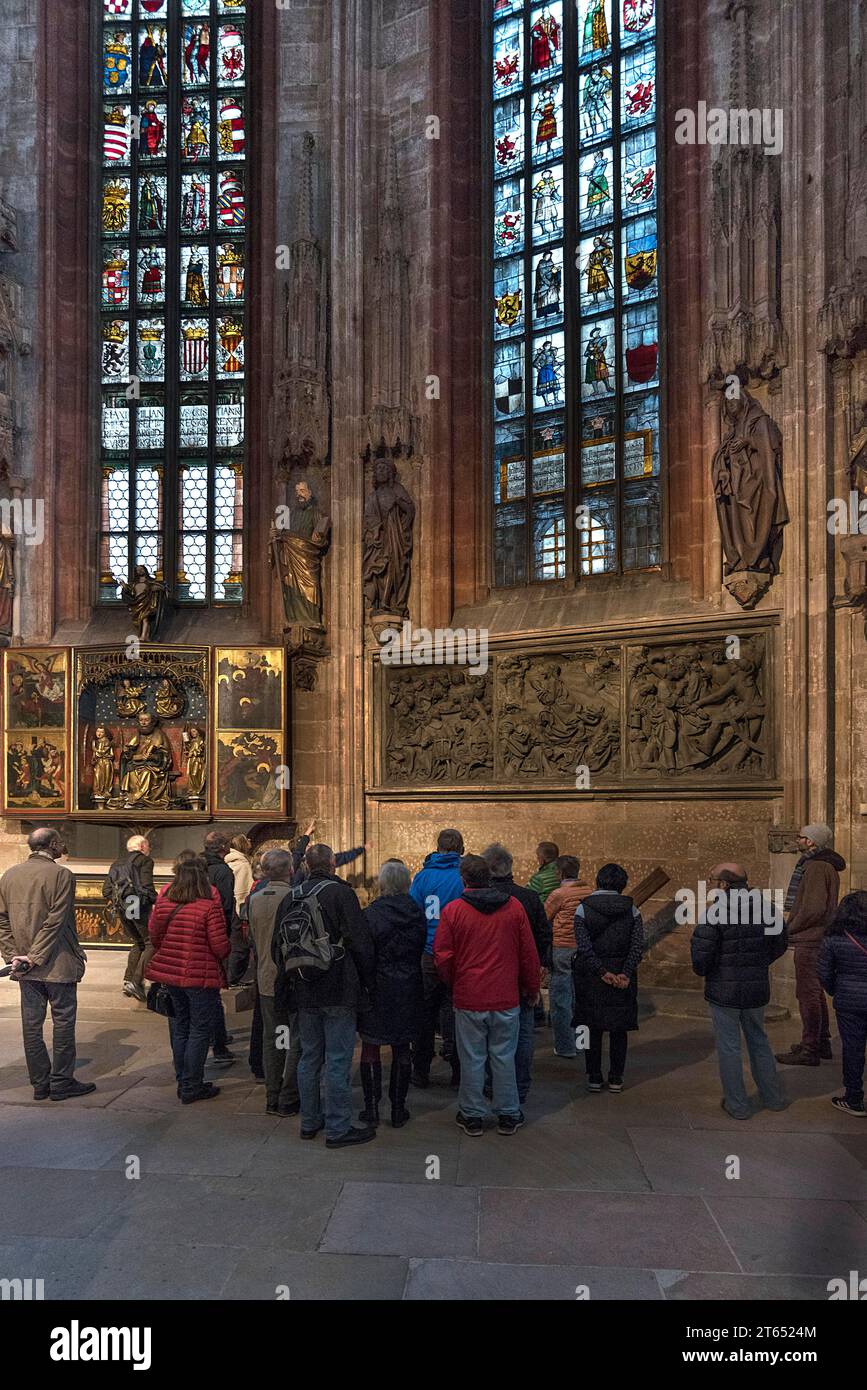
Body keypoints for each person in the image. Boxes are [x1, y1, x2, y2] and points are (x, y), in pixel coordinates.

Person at [275, 843, 377, 1147]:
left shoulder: (290, 896)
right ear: (333, 864)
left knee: (309, 1058)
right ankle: (337, 1128)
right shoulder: (341, 893)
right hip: (339, 987)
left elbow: (275, 949)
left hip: (304, 988)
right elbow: (361, 943)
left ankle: (309, 1121)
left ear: (305, 864)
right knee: (337, 1059)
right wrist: (367, 983)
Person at [434, 854, 540, 1136]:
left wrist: (456, 981)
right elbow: (528, 954)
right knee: (504, 1056)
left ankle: (472, 1115)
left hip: (470, 996)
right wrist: (531, 988)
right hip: (505, 995)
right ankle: (508, 1113)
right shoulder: (514, 907)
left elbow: (443, 956)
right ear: (490, 877)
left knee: (472, 1058)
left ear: (463, 879)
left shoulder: (454, 910)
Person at [0, 827, 94, 1102]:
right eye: (61, 842)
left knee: (32, 1025)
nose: (62, 846)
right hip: (57, 963)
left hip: (26, 968)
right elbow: (56, 920)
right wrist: (34, 957)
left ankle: (40, 1084)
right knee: (63, 1022)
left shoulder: (10, 874)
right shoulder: (61, 875)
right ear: (52, 844)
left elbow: (1, 921)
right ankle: (62, 1082)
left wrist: (14, 957)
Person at [690, 863, 788, 1119]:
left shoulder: (715, 912)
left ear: (724, 884)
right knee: (759, 1040)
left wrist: (711, 970)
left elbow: (701, 957)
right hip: (756, 987)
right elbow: (780, 943)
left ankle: (738, 1105)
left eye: (715, 882)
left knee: (729, 1047)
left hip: (725, 990)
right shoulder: (766, 907)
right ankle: (773, 1098)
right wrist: (758, 963)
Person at [146, 855, 230, 1105]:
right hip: (199, 976)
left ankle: (183, 1080)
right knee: (200, 1030)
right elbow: (220, 946)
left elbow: (155, 937)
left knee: (181, 1026)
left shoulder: (164, 904)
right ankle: (193, 1086)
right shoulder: (208, 906)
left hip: (171, 975)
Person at [358, 860, 426, 1127]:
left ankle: (371, 1109)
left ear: (383, 883)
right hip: (408, 984)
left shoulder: (371, 914)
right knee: (402, 1047)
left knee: (371, 1046)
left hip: (377, 986)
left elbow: (364, 953)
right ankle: (398, 1109)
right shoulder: (416, 912)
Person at [482, 842, 552, 1103]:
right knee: (523, 1033)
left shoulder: (477, 898)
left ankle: (492, 1085)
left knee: (489, 1036)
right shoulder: (528, 898)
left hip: (488, 978)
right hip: (521, 976)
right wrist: (539, 966)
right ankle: (519, 1085)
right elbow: (544, 935)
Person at [776, 824, 846, 1067]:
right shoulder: (820, 865)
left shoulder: (816, 867)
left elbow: (814, 908)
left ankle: (810, 1048)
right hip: (815, 937)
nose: (798, 840)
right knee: (813, 992)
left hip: (810, 938)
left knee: (807, 993)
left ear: (813, 842)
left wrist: (789, 928)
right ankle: (821, 1042)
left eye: (802, 837)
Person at [572, 862, 644, 1093]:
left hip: (593, 977)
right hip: (622, 976)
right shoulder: (633, 910)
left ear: (598, 881)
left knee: (590, 1028)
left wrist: (602, 972)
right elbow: (636, 946)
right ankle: (616, 1077)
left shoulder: (583, 909)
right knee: (618, 1029)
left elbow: (584, 948)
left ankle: (593, 1076)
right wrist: (625, 972)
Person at [409, 828, 465, 1088]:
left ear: (438, 847)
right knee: (455, 1012)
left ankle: (420, 1071)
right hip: (458, 956)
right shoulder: (464, 876)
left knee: (424, 1013)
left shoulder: (422, 877)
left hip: (428, 954)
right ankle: (457, 1071)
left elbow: (413, 915)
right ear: (461, 848)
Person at [245, 848, 300, 1116]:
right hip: (290, 978)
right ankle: (288, 1095)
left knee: (274, 1036)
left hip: (266, 977)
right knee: (292, 1038)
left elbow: (253, 940)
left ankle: (272, 1093)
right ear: (289, 870)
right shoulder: (293, 897)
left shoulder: (254, 899)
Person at [818, 891, 867, 1117]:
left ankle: (854, 1099)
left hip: (849, 1001)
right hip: (851, 998)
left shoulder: (834, 938)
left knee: (853, 1049)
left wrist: (835, 990)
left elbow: (825, 973)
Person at [544, 854, 592, 1057]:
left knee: (561, 1000)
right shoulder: (590, 891)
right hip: (584, 948)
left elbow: (544, 917)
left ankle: (565, 1046)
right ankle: (583, 1043)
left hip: (562, 947)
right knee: (583, 998)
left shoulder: (559, 894)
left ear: (560, 873)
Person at [103, 834, 157, 1003]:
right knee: (151, 942)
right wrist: (155, 900)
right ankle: (135, 981)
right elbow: (147, 887)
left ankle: (128, 980)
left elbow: (106, 890)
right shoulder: (145, 861)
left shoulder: (117, 862)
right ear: (142, 847)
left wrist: (122, 901)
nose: (149, 849)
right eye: (147, 846)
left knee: (138, 942)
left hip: (122, 907)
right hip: (136, 905)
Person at [202, 830, 237, 1061]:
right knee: (212, 993)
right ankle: (218, 1042)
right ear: (224, 848)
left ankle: (218, 1037)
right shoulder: (222, 871)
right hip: (212, 936)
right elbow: (225, 907)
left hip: (190, 937)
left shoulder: (196, 868)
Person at [225, 833, 254, 982]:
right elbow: (245, 891)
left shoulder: (227, 862)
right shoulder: (243, 864)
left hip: (226, 908)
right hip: (238, 910)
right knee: (240, 948)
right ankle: (232, 980)